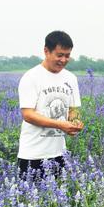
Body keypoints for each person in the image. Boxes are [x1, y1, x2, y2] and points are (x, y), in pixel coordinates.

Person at [17, 31, 84, 178]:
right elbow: (28, 115)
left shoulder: (70, 78)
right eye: (59, 55)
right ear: (46, 51)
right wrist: (60, 125)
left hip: (60, 153)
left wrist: (74, 122)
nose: (64, 60)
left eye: (67, 56)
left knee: (58, 199)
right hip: (33, 154)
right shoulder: (31, 77)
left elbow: (73, 109)